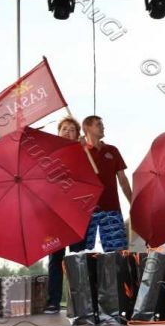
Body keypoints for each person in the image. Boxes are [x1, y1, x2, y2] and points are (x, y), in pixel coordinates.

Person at [45, 116, 87, 313]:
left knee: (78, 257)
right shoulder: (49, 153)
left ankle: (80, 301)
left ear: (77, 135)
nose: (68, 132)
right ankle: (53, 301)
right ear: (58, 132)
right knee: (55, 258)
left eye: (72, 130)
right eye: (64, 129)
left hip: (77, 211)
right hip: (55, 213)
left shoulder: (84, 153)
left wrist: (83, 152)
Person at [82, 115, 133, 251]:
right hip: (86, 211)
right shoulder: (80, 151)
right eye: (98, 124)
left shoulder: (112, 150)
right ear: (87, 128)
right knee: (82, 254)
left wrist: (132, 202)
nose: (103, 127)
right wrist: (78, 147)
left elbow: (123, 180)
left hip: (111, 208)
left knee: (118, 253)